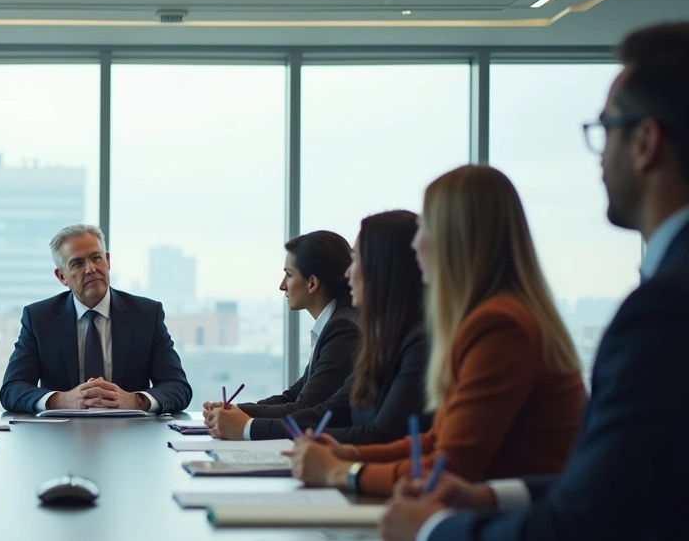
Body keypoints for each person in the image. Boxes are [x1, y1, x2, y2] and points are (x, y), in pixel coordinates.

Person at [379, 22, 689, 541]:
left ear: (647, 143)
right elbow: (623, 484)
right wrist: (489, 497)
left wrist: (431, 533)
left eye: (606, 131)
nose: (599, 155)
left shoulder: (663, 311)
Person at [287, 165, 586, 497]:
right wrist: (351, 455)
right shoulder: (491, 318)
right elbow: (435, 441)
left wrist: (341, 473)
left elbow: (451, 467)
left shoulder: (500, 327)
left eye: (426, 226)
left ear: (456, 239)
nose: (416, 244)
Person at [206, 211, 427, 444]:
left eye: (358, 260)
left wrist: (247, 427)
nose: (349, 273)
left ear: (383, 269)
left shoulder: (351, 329)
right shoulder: (380, 340)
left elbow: (375, 433)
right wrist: (238, 416)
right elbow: (324, 407)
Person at [0, 224, 192, 414]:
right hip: (61, 437)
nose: (91, 269)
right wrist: (60, 400)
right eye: (77, 263)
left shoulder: (147, 314)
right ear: (62, 276)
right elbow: (12, 389)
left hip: (131, 434)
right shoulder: (39, 318)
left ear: (107, 261)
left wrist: (137, 400)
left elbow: (177, 387)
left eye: (96, 258)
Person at [204, 231, 360, 426]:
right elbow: (293, 396)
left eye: (288, 274)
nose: (282, 286)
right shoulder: (334, 322)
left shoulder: (342, 329)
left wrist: (242, 421)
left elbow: (304, 407)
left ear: (312, 283)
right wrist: (234, 411)